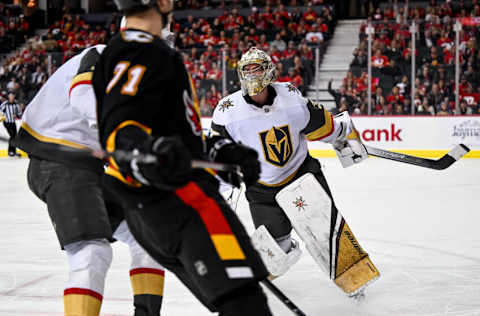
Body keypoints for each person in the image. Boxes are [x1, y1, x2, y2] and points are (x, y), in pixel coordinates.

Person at [92, 1, 273, 315]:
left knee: (235, 300)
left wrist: (220, 152)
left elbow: (168, 134)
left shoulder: (133, 51)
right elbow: (122, 130)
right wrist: (148, 155)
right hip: (186, 205)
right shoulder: (143, 51)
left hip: (154, 212)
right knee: (246, 303)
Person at [211, 47, 379, 297]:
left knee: (326, 232)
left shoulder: (290, 97)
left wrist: (344, 136)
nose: (252, 75)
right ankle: (271, 261)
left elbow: (322, 123)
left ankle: (356, 285)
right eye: (247, 70)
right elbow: (218, 159)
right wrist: (218, 196)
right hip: (261, 189)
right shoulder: (227, 113)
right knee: (273, 256)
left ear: (268, 72)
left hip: (303, 177)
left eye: (256, 69)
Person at [15, 44, 166, 316]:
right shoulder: (105, 54)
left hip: (87, 168)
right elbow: (82, 95)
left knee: (147, 235)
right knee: (91, 252)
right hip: (58, 160)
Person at [0, 92, 22, 156]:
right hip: (7, 122)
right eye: (10, 96)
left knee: (14, 137)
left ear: (14, 96)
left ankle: (13, 151)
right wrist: (2, 117)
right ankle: (11, 151)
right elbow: (0, 112)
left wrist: (17, 116)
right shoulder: (5, 104)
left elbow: (20, 113)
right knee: (12, 136)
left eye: (13, 96)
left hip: (13, 122)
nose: (12, 97)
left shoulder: (16, 104)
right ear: (8, 97)